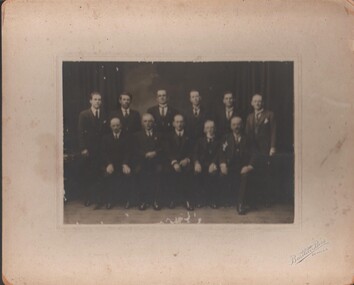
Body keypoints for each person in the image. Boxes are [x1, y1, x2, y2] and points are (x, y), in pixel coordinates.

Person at [219, 116, 256, 215]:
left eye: (238, 124)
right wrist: (222, 164)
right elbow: (221, 153)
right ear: (231, 126)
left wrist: (249, 166)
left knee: (245, 176)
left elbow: (254, 153)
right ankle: (223, 201)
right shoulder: (226, 137)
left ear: (242, 125)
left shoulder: (248, 138)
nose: (236, 127)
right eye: (234, 125)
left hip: (243, 166)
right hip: (230, 166)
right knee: (221, 175)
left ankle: (240, 204)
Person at [78, 91, 108, 206]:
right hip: (89, 149)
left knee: (100, 173)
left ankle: (100, 198)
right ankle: (89, 198)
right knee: (89, 174)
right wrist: (83, 148)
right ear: (90, 101)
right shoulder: (84, 114)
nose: (97, 102)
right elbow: (80, 132)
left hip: (101, 149)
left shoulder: (105, 114)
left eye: (99, 100)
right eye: (95, 99)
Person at [245, 94, 276, 206]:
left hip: (265, 149)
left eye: (259, 101)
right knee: (254, 172)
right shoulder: (249, 117)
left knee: (265, 173)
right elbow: (247, 134)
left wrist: (272, 147)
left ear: (262, 103)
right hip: (253, 149)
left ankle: (265, 200)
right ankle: (255, 199)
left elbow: (273, 132)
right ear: (252, 103)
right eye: (255, 101)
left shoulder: (269, 114)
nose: (257, 103)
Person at [133, 113, 164, 210]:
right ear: (142, 123)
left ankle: (156, 201)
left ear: (153, 123)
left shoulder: (160, 134)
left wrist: (155, 153)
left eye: (150, 121)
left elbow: (163, 148)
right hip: (143, 161)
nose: (148, 123)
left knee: (159, 172)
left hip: (156, 161)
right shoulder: (137, 135)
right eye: (145, 121)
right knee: (140, 172)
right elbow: (135, 149)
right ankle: (143, 201)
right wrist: (145, 154)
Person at [100, 117, 133, 209]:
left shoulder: (127, 136)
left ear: (121, 126)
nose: (116, 127)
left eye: (117, 125)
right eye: (113, 125)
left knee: (128, 174)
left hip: (124, 163)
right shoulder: (105, 138)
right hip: (111, 164)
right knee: (107, 175)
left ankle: (128, 200)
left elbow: (129, 152)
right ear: (110, 126)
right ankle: (110, 200)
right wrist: (109, 164)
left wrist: (125, 164)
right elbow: (103, 153)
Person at [165, 114, 194, 210]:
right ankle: (172, 199)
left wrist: (187, 159)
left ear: (184, 123)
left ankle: (188, 200)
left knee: (189, 172)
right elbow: (167, 151)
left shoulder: (190, 135)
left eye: (181, 122)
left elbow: (193, 150)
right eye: (177, 122)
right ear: (173, 123)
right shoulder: (168, 136)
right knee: (169, 173)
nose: (179, 124)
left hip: (185, 162)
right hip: (172, 162)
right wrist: (174, 162)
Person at [193, 120, 220, 208]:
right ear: (204, 130)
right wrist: (197, 163)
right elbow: (195, 153)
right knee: (197, 174)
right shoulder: (200, 140)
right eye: (207, 128)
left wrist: (213, 163)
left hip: (213, 164)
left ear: (215, 129)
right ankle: (200, 200)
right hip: (201, 164)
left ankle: (213, 201)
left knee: (214, 174)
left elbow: (219, 154)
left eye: (212, 127)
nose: (210, 130)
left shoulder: (219, 141)